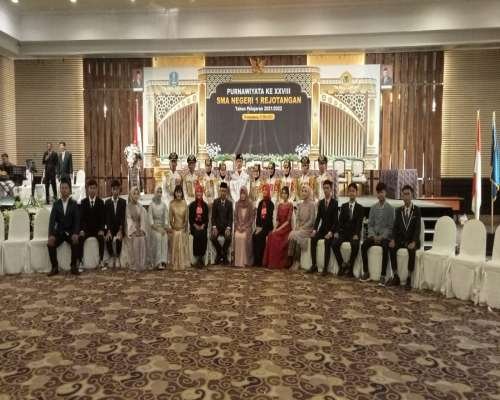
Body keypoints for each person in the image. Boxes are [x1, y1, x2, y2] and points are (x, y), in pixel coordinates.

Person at [387, 185, 422, 289]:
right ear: (401, 196)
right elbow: (395, 227)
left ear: (412, 195)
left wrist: (414, 242)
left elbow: (417, 228)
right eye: (404, 195)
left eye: (408, 194)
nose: (406, 197)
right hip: (401, 240)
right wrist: (393, 239)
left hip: (412, 240)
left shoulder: (417, 210)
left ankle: (409, 278)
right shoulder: (398, 210)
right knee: (391, 247)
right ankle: (396, 276)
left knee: (411, 250)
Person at [360, 182, 395, 283]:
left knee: (385, 247)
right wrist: (373, 236)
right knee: (363, 245)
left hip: (385, 237)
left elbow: (390, 227)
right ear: (377, 194)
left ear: (385, 193)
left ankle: (383, 275)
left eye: (382, 192)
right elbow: (370, 225)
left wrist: (382, 237)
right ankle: (366, 272)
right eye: (378, 192)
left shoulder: (390, 209)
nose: (380, 194)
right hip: (374, 236)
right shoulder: (373, 208)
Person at [47, 177, 80, 276]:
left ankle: (73, 266)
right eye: (62, 188)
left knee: (76, 241)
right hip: (60, 232)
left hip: (70, 232)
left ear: (69, 190)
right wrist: (51, 235)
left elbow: (77, 221)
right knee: (50, 243)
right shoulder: (56, 204)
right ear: (59, 190)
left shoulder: (74, 204)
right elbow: (52, 221)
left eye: (66, 188)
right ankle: (54, 267)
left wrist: (75, 233)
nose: (64, 190)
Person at [332, 183, 364, 277]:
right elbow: (340, 221)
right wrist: (337, 232)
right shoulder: (344, 206)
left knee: (355, 245)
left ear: (356, 193)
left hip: (354, 233)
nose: (351, 193)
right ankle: (342, 265)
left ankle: (350, 266)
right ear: (348, 193)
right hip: (343, 232)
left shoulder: (360, 208)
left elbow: (359, 223)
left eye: (353, 191)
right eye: (350, 191)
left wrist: (357, 234)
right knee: (334, 244)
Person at [308, 180, 339, 275]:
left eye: (327, 188)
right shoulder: (321, 202)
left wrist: (331, 232)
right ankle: (314, 265)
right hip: (322, 230)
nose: (325, 190)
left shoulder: (335, 203)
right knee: (313, 239)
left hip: (331, 230)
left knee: (327, 242)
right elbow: (318, 218)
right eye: (324, 188)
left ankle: (325, 268)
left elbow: (336, 221)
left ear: (331, 190)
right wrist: (314, 230)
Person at [78, 179, 105, 270]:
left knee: (101, 238)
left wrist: (101, 229)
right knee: (80, 238)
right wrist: (81, 230)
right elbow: (81, 219)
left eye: (94, 188)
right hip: (86, 230)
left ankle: (101, 260)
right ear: (87, 189)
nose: (92, 190)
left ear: (96, 189)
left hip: (97, 229)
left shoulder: (100, 202)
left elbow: (102, 219)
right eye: (90, 188)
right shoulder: (83, 202)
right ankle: (80, 261)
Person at [263, 186, 293, 269]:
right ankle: (270, 261)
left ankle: (277, 262)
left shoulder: (290, 205)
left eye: (285, 193)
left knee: (275, 236)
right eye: (282, 193)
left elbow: (288, 221)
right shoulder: (279, 205)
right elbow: (277, 220)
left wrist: (278, 230)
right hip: (279, 227)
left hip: (286, 228)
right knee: (271, 234)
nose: (284, 195)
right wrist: (274, 229)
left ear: (288, 195)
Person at [287, 184, 316, 269]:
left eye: (305, 191)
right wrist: (297, 226)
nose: (303, 193)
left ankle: (297, 261)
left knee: (296, 235)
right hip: (300, 228)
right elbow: (297, 219)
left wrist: (303, 227)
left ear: (309, 193)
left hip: (308, 229)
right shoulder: (300, 205)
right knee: (293, 233)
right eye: (302, 191)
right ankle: (292, 259)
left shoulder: (312, 205)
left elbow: (312, 220)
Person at [104, 179, 126, 269]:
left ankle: (117, 257)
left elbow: (123, 218)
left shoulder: (123, 202)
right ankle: (111, 256)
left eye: (117, 189)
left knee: (118, 238)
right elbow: (107, 218)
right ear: (111, 190)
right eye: (114, 189)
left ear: (119, 190)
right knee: (108, 238)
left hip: (120, 227)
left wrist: (120, 230)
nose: (115, 191)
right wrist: (108, 230)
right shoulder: (107, 202)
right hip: (110, 228)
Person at [211, 182, 233, 264]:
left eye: (224, 191)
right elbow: (213, 217)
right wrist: (214, 227)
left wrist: (228, 228)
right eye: (221, 191)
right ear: (219, 191)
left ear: (227, 192)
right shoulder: (215, 202)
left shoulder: (229, 203)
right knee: (213, 238)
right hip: (217, 227)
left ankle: (220, 255)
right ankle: (222, 254)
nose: (223, 193)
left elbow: (230, 218)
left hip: (225, 227)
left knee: (228, 238)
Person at [126, 186, 147, 271]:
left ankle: (141, 264)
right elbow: (129, 219)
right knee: (135, 239)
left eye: (137, 194)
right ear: (131, 195)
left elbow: (143, 219)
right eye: (134, 194)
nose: (136, 195)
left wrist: (142, 230)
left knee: (142, 238)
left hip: (139, 228)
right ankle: (134, 264)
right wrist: (133, 231)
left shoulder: (140, 206)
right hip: (132, 229)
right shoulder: (128, 206)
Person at [252, 184, 274, 266]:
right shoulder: (260, 203)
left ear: (268, 191)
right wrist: (258, 226)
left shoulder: (271, 204)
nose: (264, 192)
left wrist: (262, 228)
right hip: (260, 227)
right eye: (263, 190)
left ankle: (260, 260)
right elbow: (258, 216)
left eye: (266, 190)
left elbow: (269, 218)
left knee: (260, 236)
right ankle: (256, 259)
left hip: (267, 227)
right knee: (254, 235)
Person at [169, 185, 190, 270]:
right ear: (175, 193)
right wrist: (174, 227)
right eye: (177, 192)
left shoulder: (184, 203)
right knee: (176, 234)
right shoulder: (172, 204)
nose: (178, 194)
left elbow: (186, 219)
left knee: (180, 234)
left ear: (182, 193)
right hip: (175, 228)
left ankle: (183, 262)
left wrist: (182, 227)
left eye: (180, 192)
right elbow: (170, 219)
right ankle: (175, 262)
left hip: (182, 228)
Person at [233, 186, 255, 267]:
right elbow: (235, 217)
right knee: (237, 235)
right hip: (239, 227)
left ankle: (245, 261)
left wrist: (245, 227)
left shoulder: (250, 204)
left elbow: (252, 219)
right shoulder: (237, 204)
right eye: (241, 194)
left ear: (246, 194)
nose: (242, 195)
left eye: (244, 193)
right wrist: (238, 226)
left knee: (243, 237)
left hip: (247, 227)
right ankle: (238, 261)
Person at [148, 186, 169, 270]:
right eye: (158, 192)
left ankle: (163, 261)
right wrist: (158, 229)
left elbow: (166, 218)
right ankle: (158, 262)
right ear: (155, 193)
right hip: (154, 228)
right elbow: (150, 221)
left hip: (162, 227)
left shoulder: (164, 205)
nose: (159, 194)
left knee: (164, 236)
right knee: (158, 237)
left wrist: (165, 227)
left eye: (161, 192)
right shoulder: (151, 205)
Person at [189, 184, 209, 268]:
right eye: (197, 192)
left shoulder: (205, 205)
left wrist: (203, 225)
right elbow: (190, 219)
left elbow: (207, 219)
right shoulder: (192, 205)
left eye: (200, 192)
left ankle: (201, 257)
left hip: (203, 226)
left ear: (202, 193)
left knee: (203, 234)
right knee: (197, 234)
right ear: (195, 193)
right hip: (194, 227)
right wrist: (195, 226)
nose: (199, 193)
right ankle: (197, 257)